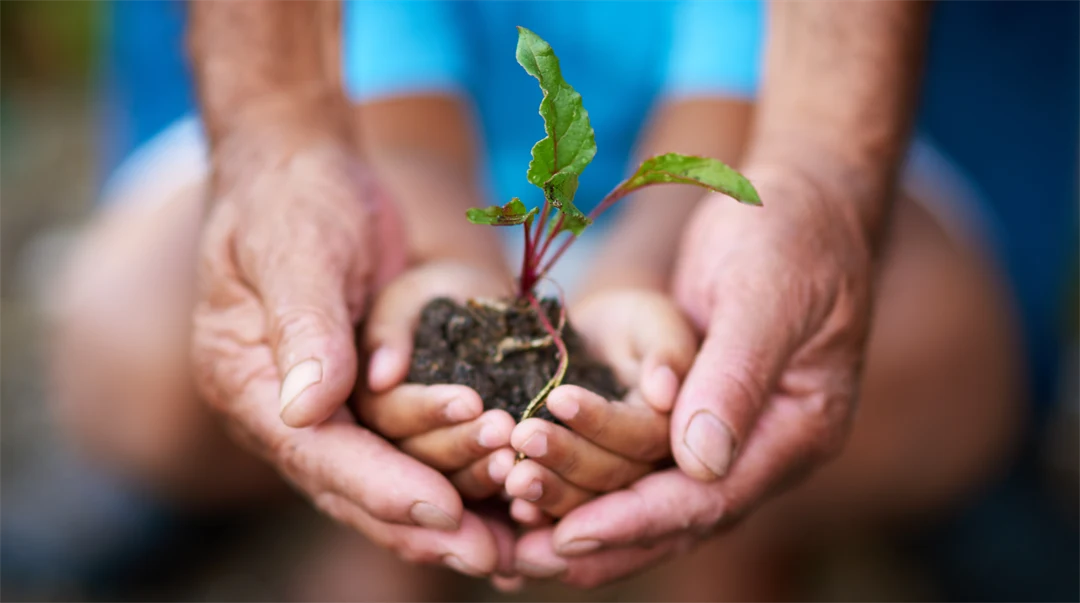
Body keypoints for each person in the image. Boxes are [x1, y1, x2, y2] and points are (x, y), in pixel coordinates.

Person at [8, 0, 1074, 599]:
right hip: (388, 157)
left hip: (728, 146)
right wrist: (422, 277)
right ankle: (337, 517)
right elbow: (387, 110)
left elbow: (733, 111)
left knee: (923, 358)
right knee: (145, 347)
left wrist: (651, 279)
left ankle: (765, 525)